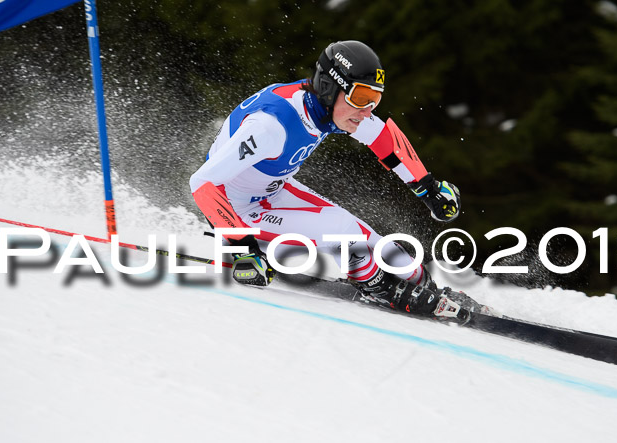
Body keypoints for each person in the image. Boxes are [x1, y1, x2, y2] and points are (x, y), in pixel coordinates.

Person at [190, 40, 476, 322]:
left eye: (374, 100)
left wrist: (429, 188)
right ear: (329, 87)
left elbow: (384, 139)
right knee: (347, 234)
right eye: (362, 97)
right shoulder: (270, 125)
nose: (367, 111)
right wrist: (242, 247)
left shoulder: (325, 108)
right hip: (236, 210)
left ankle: (426, 287)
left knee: (381, 247)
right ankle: (377, 288)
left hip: (274, 192)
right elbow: (203, 182)